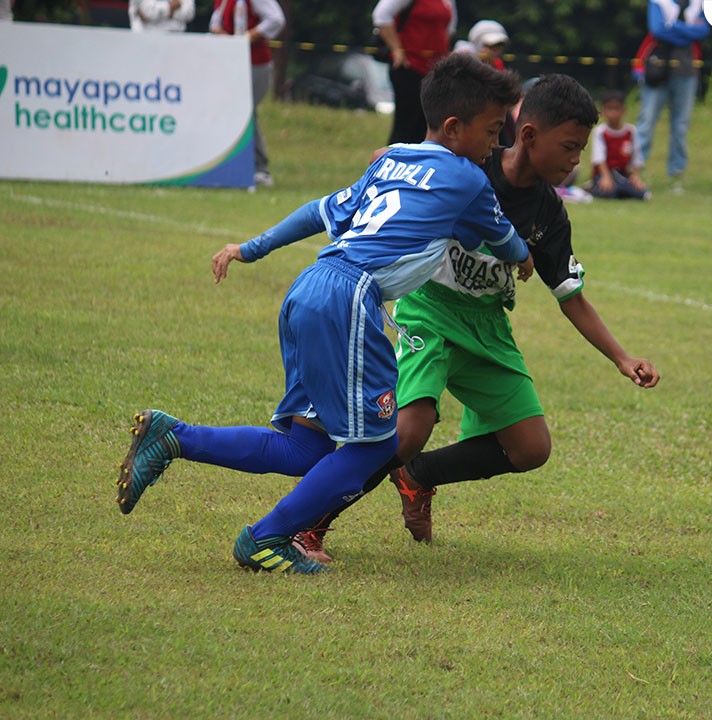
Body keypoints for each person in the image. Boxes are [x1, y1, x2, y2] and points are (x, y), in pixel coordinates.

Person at [114, 54, 530, 575]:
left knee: (305, 448)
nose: (496, 146)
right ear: (453, 128)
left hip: (309, 286)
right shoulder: (468, 177)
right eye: (493, 132)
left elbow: (321, 210)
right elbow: (503, 237)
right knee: (374, 446)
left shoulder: (391, 159)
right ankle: (265, 538)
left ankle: (174, 436)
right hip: (350, 299)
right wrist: (524, 256)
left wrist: (253, 247)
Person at [290, 74, 660, 559]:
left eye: (580, 149)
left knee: (531, 448)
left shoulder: (548, 214)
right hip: (431, 311)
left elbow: (570, 296)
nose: (575, 161)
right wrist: (389, 156)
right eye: (569, 147)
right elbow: (421, 155)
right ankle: (308, 524)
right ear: (527, 135)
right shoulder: (470, 170)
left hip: (487, 326)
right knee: (407, 431)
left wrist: (621, 356)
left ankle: (418, 475)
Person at [633, 0, 710, 193]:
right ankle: (634, 170)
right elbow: (657, 29)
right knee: (647, 121)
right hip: (657, 69)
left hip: (686, 71)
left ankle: (676, 174)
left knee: (681, 125)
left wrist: (673, 26)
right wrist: (687, 31)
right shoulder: (659, 2)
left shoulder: (698, 4)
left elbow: (703, 32)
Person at [210, 0, 285, 188]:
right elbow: (216, 21)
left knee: (246, 112)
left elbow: (276, 19)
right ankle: (235, 163)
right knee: (237, 112)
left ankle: (261, 168)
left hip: (255, 63)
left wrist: (248, 36)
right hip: (232, 62)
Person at [373, 0, 457, 145]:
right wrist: (396, 49)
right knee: (406, 126)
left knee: (427, 127)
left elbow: (449, 28)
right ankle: (394, 162)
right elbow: (381, 16)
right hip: (409, 67)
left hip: (434, 72)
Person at [585, 89, 650, 201]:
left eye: (616, 109)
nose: (613, 113)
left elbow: (636, 157)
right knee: (608, 191)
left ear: (623, 110)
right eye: (610, 109)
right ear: (603, 111)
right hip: (604, 174)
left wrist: (636, 176)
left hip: (622, 174)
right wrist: (605, 177)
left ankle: (621, 189)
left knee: (641, 193)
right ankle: (593, 187)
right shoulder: (601, 132)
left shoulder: (631, 131)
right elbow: (599, 158)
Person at [129, 0, 194, 32]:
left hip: (176, 38)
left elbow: (189, 13)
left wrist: (157, 10)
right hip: (144, 37)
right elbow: (148, 13)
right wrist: (170, 7)